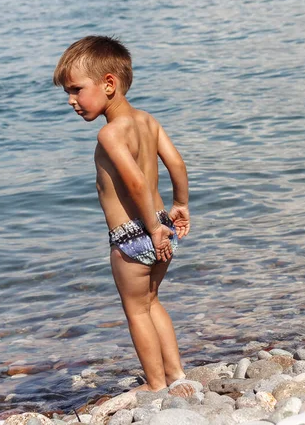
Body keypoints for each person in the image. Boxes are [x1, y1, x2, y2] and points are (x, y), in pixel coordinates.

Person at [53, 35, 191, 394]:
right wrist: (180, 205)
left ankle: (156, 384)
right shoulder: (147, 121)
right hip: (162, 225)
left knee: (136, 310)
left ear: (109, 84)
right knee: (152, 301)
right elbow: (176, 162)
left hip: (133, 235)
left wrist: (149, 229)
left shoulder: (110, 134)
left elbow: (135, 183)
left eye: (76, 89)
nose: (71, 100)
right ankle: (176, 374)